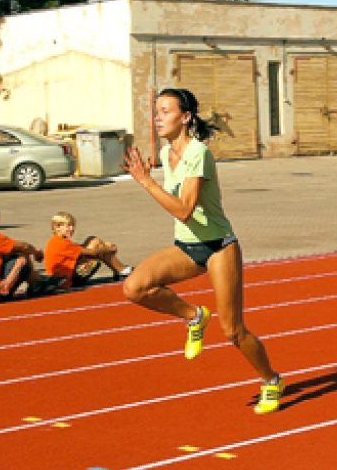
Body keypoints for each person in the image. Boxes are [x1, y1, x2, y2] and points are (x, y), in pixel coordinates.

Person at [120, 88, 284, 415]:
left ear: (185, 118)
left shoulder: (199, 153)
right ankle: (194, 316)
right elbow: (181, 216)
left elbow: (184, 210)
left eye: (165, 111)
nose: (158, 117)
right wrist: (150, 179)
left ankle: (271, 380)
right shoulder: (168, 154)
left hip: (218, 247)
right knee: (133, 288)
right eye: (156, 111)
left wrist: (145, 182)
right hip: (186, 246)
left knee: (232, 330)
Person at [0, 203, 52, 305]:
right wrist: (36, 251)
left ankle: (36, 281)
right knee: (23, 257)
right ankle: (35, 283)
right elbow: (23, 246)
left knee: (9, 253)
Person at [44, 212, 132, 288]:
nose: (71, 229)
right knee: (99, 251)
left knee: (94, 241)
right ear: (57, 227)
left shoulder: (57, 241)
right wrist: (108, 249)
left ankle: (120, 270)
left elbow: (80, 248)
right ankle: (122, 270)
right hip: (65, 280)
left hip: (67, 274)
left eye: (72, 225)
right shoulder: (60, 243)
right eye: (68, 226)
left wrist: (104, 246)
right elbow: (93, 252)